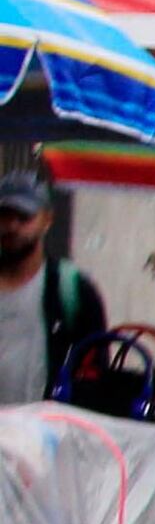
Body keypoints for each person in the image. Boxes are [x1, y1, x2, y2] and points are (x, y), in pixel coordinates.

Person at [0, 155, 105, 406]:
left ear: (47, 220)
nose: (12, 227)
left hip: (42, 434)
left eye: (24, 218)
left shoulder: (72, 289)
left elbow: (95, 371)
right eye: (4, 216)